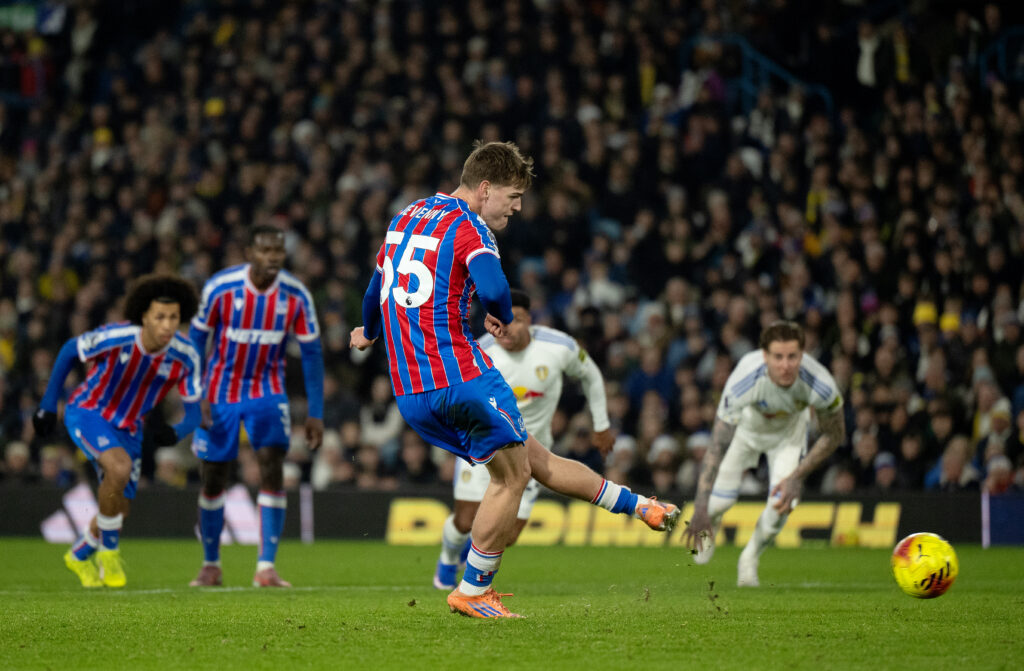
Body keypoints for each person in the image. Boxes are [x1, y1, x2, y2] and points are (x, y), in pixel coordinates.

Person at [350, 141, 679, 618]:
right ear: (485, 189)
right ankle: (473, 590)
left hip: (411, 393)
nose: (517, 207)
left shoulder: (407, 216)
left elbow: (374, 287)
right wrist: (501, 317)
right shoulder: (470, 226)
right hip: (460, 377)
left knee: (532, 460)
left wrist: (369, 332)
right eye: (513, 196)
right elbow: (495, 288)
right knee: (514, 478)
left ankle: (638, 506)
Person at [432, 289, 615, 590]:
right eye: (498, 321)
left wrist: (602, 425)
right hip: (483, 444)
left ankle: (470, 557)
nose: (505, 328)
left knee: (509, 533)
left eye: (514, 320)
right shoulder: (479, 352)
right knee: (465, 520)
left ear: (529, 319)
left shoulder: (559, 347)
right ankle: (448, 559)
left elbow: (591, 375)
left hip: (532, 454)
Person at [32, 274, 202, 588]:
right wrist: (47, 405)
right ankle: (109, 555)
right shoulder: (119, 336)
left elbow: (194, 413)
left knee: (119, 508)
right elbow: (70, 349)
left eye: (173, 317)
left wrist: (177, 432)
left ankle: (79, 554)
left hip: (130, 428)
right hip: (89, 411)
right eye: (160, 317)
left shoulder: (186, 354)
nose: (167, 325)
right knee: (119, 467)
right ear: (144, 316)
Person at [187, 225, 324, 588]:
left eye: (278, 250)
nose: (273, 257)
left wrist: (316, 412)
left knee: (272, 467)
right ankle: (210, 563)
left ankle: (266, 567)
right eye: (265, 250)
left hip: (267, 390)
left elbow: (312, 354)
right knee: (214, 475)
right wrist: (195, 392)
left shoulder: (296, 295)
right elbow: (196, 339)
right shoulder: (221, 287)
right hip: (220, 390)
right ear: (249, 253)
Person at [683, 321, 846, 587]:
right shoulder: (744, 380)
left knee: (783, 503)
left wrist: (797, 476)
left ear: (802, 355)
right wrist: (700, 507)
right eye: (778, 357)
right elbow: (716, 445)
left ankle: (749, 558)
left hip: (788, 436)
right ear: (765, 356)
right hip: (744, 432)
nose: (785, 365)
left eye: (792, 356)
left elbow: (834, 434)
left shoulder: (821, 385)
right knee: (719, 503)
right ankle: (711, 521)